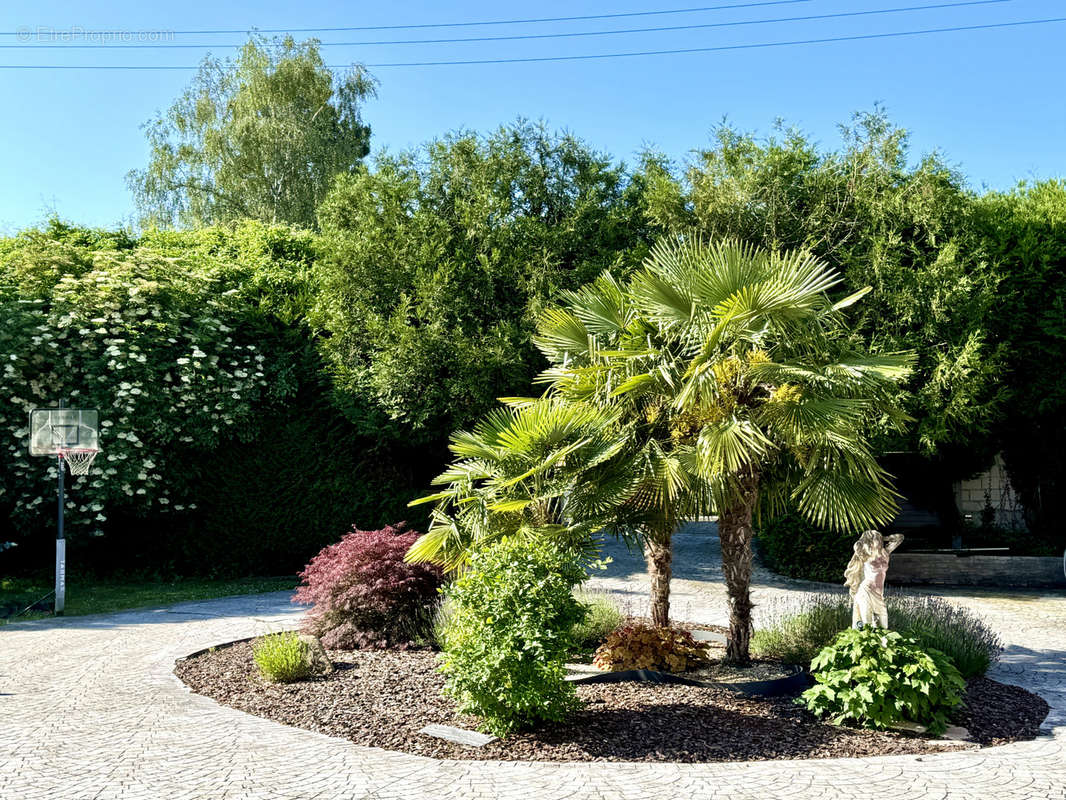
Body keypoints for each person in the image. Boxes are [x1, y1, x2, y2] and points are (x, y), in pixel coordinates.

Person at [844, 530, 904, 629]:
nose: (879, 542)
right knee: (867, 626)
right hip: (866, 591)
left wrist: (882, 537)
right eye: (876, 539)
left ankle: (882, 644)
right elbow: (857, 545)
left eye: (880, 540)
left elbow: (900, 537)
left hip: (879, 595)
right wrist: (868, 538)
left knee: (884, 626)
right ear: (870, 541)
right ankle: (863, 643)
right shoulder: (865, 554)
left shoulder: (885, 553)